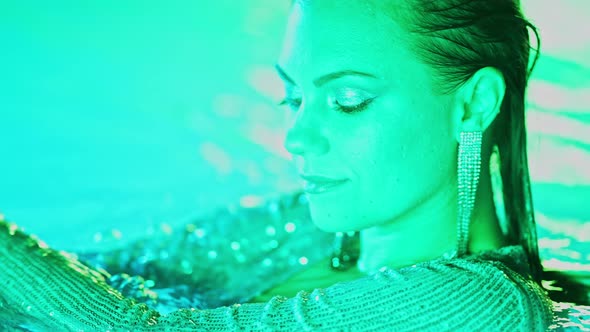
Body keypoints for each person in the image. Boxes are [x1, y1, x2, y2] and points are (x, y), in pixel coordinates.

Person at [0, 0, 555, 330]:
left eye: (347, 100)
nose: (295, 137)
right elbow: (91, 272)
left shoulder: (484, 307)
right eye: (293, 98)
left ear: (474, 103)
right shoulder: (307, 224)